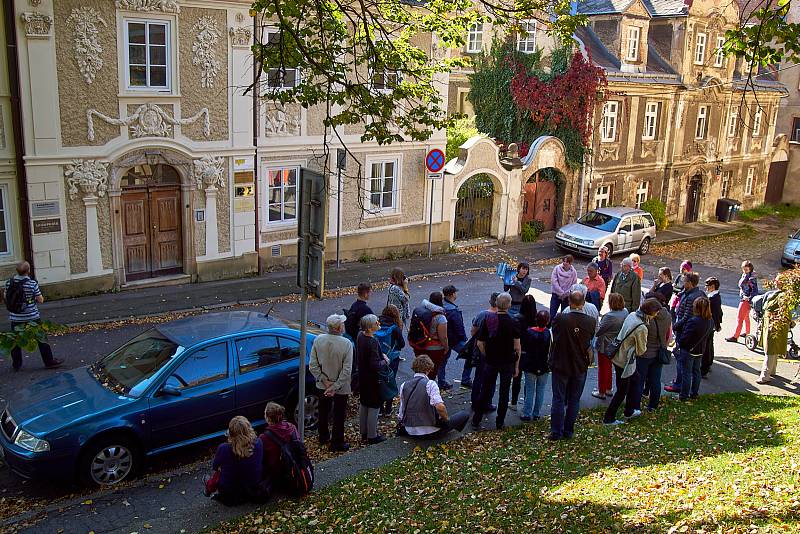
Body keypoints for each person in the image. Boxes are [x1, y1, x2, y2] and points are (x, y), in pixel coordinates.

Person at [603, 299, 661, 425]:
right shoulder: (642, 328)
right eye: (655, 313)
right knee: (621, 391)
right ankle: (609, 418)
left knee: (635, 379)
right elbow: (641, 351)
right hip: (625, 361)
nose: (656, 315)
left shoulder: (632, 315)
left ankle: (629, 410)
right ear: (649, 312)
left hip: (618, 355)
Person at [548, 290, 596, 441]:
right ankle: (568, 430)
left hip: (561, 363)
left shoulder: (560, 318)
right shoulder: (590, 321)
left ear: (569, 303)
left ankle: (556, 431)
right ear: (583, 304)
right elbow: (589, 341)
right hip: (579, 365)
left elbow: (554, 334)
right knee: (574, 399)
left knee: (558, 399)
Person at [472, 293, 521, 431]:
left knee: (485, 390)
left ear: (496, 304)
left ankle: (476, 419)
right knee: (504, 393)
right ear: (509, 305)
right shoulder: (513, 322)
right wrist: (516, 366)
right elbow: (517, 347)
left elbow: (480, 343)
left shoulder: (488, 320)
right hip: (507, 362)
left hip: (491, 361)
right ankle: (500, 422)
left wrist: (487, 355)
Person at [3, 261, 63, 371]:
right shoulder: (32, 283)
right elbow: (40, 299)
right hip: (32, 316)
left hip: (15, 317)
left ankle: (16, 364)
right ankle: (49, 361)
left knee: (15, 340)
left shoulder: (9, 283)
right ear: (28, 271)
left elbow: (5, 296)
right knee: (41, 338)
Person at [309, 314, 353, 451]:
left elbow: (313, 365)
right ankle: (337, 442)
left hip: (322, 385)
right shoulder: (346, 344)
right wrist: (335, 386)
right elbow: (347, 370)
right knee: (339, 414)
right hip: (341, 386)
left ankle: (323, 436)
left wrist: (324, 381)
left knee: (323, 411)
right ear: (339, 327)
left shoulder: (318, 340)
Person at [397, 355, 470, 438]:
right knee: (464, 415)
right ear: (428, 369)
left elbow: (401, 411)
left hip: (410, 431)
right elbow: (440, 407)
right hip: (431, 432)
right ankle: (453, 435)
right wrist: (446, 420)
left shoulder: (404, 385)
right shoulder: (430, 384)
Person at [208, 416, 264, 505]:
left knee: (218, 472)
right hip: (253, 487)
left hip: (231, 495)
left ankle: (209, 488)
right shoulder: (259, 442)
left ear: (230, 433)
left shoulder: (224, 448)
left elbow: (215, 466)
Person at [665, 272, 705, 393]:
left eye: (685, 282)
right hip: (696, 337)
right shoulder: (699, 294)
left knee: (683, 364)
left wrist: (674, 327)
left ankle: (680, 387)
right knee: (696, 368)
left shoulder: (692, 297)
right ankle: (694, 392)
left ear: (690, 283)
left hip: (684, 333)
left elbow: (686, 317)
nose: (683, 284)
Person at [635, 291, 672, 411]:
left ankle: (635, 405)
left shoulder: (647, 319)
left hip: (645, 354)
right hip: (659, 351)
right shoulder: (667, 315)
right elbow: (668, 334)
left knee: (639, 380)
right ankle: (653, 405)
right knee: (655, 380)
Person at [356, 314, 389, 444]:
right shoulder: (372, 341)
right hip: (372, 379)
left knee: (364, 404)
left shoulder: (360, 336)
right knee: (374, 406)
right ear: (370, 328)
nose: (378, 323)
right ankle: (372, 435)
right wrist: (385, 361)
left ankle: (363, 433)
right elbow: (375, 365)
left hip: (362, 376)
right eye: (376, 322)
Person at [465, 292, 499, 413]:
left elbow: (473, 331)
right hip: (494, 352)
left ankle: (475, 401)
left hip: (480, 350)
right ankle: (487, 403)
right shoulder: (501, 316)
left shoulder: (481, 315)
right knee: (491, 379)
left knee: (478, 377)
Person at [676, 297, 714, 400]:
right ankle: (694, 393)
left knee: (686, 373)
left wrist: (681, 344)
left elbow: (685, 337)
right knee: (696, 372)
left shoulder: (694, 321)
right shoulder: (710, 321)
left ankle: (683, 395)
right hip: (700, 350)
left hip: (689, 350)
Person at [592, 293, 628, 400]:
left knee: (603, 368)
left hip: (605, 344)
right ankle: (608, 388)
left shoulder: (609, 316)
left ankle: (602, 391)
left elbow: (598, 332)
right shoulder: (625, 312)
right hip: (616, 343)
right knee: (610, 367)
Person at [519, 310, 551, 421]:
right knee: (541, 389)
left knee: (529, 389)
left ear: (536, 320)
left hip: (530, 365)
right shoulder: (549, 334)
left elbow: (524, 347)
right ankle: (536, 413)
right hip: (544, 365)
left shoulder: (529, 332)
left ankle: (527, 413)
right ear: (547, 321)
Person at [756, 275, 789, 384]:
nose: (775, 281)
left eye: (777, 280)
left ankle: (765, 376)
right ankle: (772, 371)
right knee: (771, 348)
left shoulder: (783, 295)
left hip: (774, 325)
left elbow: (784, 312)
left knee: (770, 349)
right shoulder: (778, 293)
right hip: (769, 323)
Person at [259, 403, 299, 487]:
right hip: (294, 466)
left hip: (278, 473)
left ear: (267, 417)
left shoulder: (264, 437)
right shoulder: (292, 427)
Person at [410, 293, 449, 379]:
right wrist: (446, 348)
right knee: (431, 372)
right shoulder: (440, 317)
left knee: (420, 368)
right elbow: (443, 337)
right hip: (434, 348)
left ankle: (418, 384)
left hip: (419, 344)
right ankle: (428, 388)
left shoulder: (421, 310)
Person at [376, 305, 406, 415]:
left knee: (379, 381)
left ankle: (379, 409)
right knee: (390, 381)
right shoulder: (394, 328)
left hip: (378, 357)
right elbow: (402, 344)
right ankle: (388, 409)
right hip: (392, 357)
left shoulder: (376, 324)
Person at [511, 294, 538, 410]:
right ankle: (527, 403)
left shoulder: (516, 318)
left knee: (516, 377)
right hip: (532, 352)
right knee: (529, 380)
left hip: (519, 350)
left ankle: (513, 402)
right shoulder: (537, 319)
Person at [441, 285, 467, 391]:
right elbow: (458, 326)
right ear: (452, 294)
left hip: (444, 338)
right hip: (455, 340)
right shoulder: (453, 310)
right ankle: (466, 379)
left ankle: (441, 382)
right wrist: (463, 337)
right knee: (470, 356)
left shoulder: (441, 306)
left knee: (443, 361)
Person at [726, 261, 759, 343]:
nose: (744, 271)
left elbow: (754, 289)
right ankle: (747, 333)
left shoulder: (751, 278)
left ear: (750, 268)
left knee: (739, 318)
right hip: (746, 298)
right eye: (743, 269)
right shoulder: (746, 275)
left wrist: (748, 297)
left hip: (745, 300)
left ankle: (735, 336)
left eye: (746, 269)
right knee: (745, 317)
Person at [703, 277, 723, 377]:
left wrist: (716, 325)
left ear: (712, 286)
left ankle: (705, 368)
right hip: (713, 324)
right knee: (710, 344)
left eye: (707, 286)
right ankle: (709, 362)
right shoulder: (716, 296)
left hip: (710, 324)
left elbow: (715, 313)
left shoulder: (712, 298)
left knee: (706, 346)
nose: (706, 288)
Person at [549, 255, 578, 321]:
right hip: (556, 295)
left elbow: (573, 285)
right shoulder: (557, 268)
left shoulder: (573, 272)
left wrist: (565, 294)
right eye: (564, 261)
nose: (565, 263)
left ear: (570, 263)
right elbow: (554, 281)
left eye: (567, 262)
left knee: (564, 316)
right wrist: (561, 293)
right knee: (552, 314)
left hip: (566, 297)